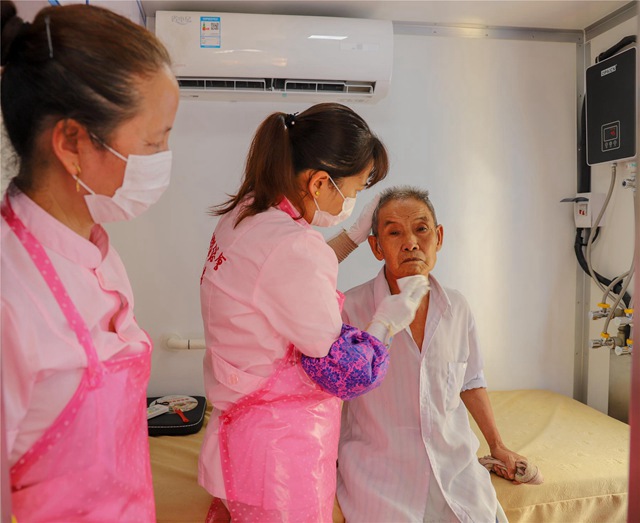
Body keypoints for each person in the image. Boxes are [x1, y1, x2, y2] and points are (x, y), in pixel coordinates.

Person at [199, 103, 430, 523]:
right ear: (321, 182)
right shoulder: (293, 247)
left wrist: (351, 237)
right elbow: (345, 370)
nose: (353, 201)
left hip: (243, 432)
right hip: (280, 455)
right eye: (354, 190)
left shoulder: (246, 213)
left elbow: (285, 283)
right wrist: (385, 324)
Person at [0, 2, 179, 520]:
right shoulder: (11, 297)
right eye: (153, 141)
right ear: (73, 142)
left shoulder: (93, 247)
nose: (163, 158)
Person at [336, 186, 528, 523]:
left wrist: (497, 445)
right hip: (380, 474)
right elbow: (330, 398)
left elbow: (471, 380)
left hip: (455, 469)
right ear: (376, 247)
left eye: (421, 229)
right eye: (394, 232)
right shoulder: (349, 309)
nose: (411, 242)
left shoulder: (457, 307)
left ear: (438, 237)